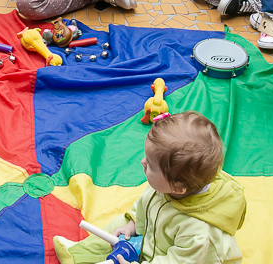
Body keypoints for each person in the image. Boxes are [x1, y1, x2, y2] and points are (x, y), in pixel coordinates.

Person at [53, 111, 247, 264]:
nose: (142, 162)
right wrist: (132, 224)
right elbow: (145, 204)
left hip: (183, 259)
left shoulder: (200, 234)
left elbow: (177, 261)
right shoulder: (169, 184)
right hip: (153, 239)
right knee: (118, 225)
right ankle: (77, 254)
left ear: (178, 188)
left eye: (151, 166)